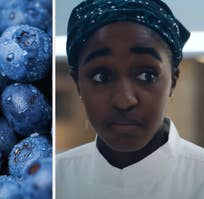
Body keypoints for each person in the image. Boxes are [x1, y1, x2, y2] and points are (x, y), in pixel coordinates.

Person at [56, 0, 204, 198]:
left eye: (147, 76)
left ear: (173, 82)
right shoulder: (56, 177)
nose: (124, 101)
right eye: (101, 76)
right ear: (78, 85)